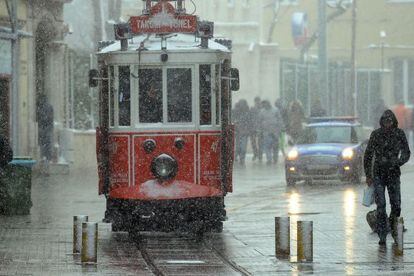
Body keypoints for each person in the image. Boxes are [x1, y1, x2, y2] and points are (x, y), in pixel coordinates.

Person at [364, 109, 410, 245]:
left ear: (393, 121)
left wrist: (398, 162)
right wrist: (368, 174)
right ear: (381, 122)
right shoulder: (376, 135)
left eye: (389, 121)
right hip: (379, 174)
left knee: (396, 205)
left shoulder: (399, 134)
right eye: (385, 121)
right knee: (381, 205)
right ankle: (382, 234)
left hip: (394, 174)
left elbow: (406, 152)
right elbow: (368, 155)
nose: (387, 124)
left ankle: (394, 229)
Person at [259, 100, 283, 165]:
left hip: (275, 132)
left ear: (268, 103)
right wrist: (261, 130)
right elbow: (260, 121)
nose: (264, 105)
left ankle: (275, 158)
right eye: (263, 105)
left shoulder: (275, 110)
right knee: (267, 147)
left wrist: (280, 129)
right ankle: (269, 159)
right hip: (266, 132)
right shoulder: (262, 112)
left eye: (265, 104)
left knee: (275, 147)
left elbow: (280, 120)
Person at [233, 99, 251, 166]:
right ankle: (238, 157)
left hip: (244, 133)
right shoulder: (236, 112)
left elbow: (250, 123)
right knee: (238, 147)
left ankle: (242, 159)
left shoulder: (248, 113)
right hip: (238, 133)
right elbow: (234, 121)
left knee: (243, 147)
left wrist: (248, 130)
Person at [37, 94, 54, 163]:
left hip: (43, 127)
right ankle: (48, 157)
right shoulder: (49, 106)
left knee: (43, 143)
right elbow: (51, 117)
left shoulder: (40, 106)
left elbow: (41, 117)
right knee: (47, 143)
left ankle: (43, 157)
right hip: (47, 127)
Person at [249, 96, 262, 161]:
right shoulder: (252, 109)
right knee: (253, 142)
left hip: (260, 128)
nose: (257, 102)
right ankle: (256, 153)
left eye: (258, 101)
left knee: (260, 143)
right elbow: (249, 118)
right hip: (253, 128)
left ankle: (259, 154)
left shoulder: (262, 109)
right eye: (256, 101)